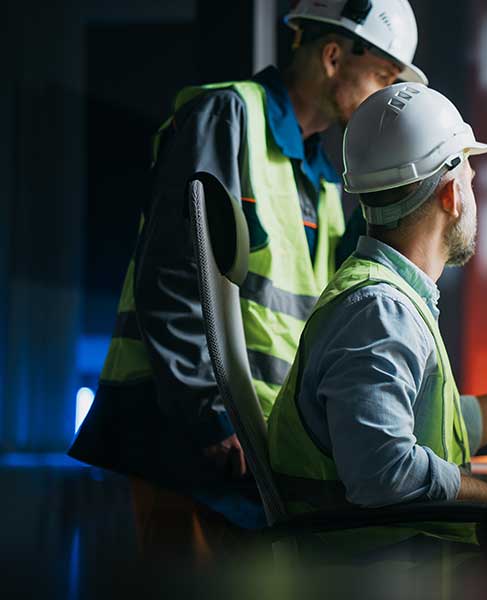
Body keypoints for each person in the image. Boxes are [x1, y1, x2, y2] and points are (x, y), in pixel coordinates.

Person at [68, 0, 427, 559]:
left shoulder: (325, 177)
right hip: (183, 437)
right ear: (334, 56)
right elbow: (173, 274)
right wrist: (208, 414)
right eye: (382, 75)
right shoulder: (226, 117)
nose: (385, 93)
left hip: (247, 446)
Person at [267, 83, 487, 560]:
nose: (474, 193)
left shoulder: (387, 300)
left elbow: (436, 429)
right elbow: (384, 472)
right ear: (452, 195)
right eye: (472, 180)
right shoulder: (379, 311)